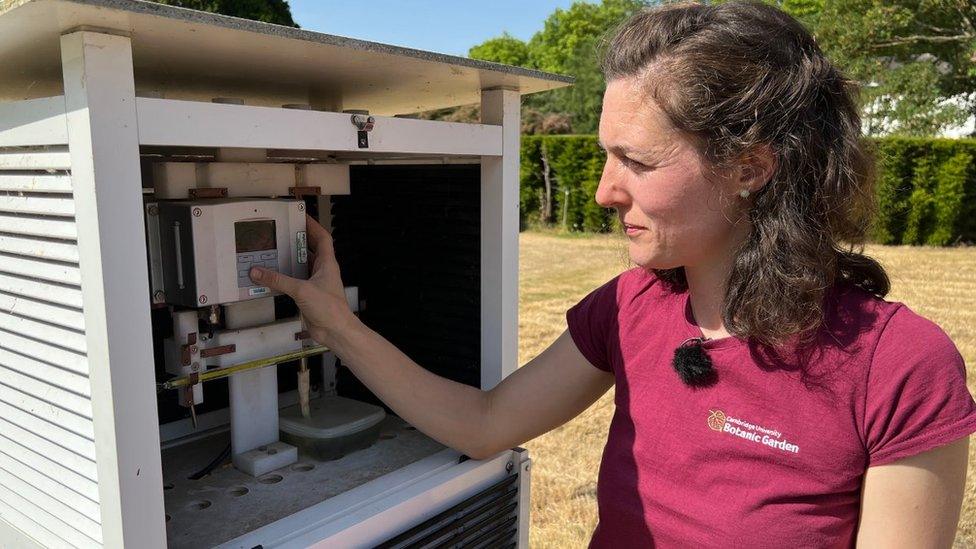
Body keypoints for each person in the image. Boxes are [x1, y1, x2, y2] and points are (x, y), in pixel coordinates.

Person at [249, 1, 976, 546]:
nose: (603, 190)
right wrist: (334, 324)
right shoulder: (630, 307)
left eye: (637, 161)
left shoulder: (900, 368)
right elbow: (482, 424)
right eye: (605, 155)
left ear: (750, 168)